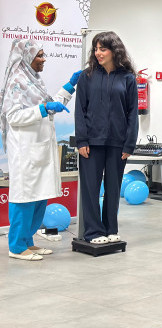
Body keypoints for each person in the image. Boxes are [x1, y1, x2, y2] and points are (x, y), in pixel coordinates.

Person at [0, 39, 80, 260]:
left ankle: (28, 241)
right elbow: (13, 117)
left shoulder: (34, 80)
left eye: (44, 55)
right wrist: (43, 109)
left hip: (40, 149)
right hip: (25, 151)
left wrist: (69, 86)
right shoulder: (17, 82)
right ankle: (16, 246)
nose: (44, 59)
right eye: (40, 55)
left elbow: (49, 104)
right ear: (27, 57)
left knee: (38, 197)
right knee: (24, 198)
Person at [75, 31, 139, 244]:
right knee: (91, 189)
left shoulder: (128, 78)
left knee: (113, 188)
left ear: (114, 50)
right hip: (91, 143)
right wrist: (81, 140)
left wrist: (129, 143)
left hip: (117, 143)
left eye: (103, 48)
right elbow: (80, 110)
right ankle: (93, 232)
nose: (98, 53)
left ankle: (111, 228)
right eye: (96, 49)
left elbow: (132, 114)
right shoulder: (87, 76)